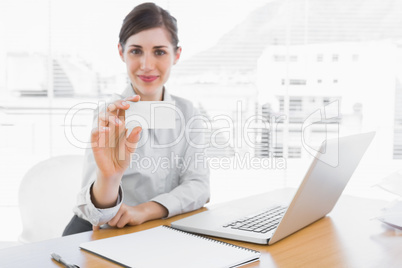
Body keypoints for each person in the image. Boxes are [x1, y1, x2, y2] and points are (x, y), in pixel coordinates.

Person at [63, 2, 210, 235]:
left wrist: (145, 210)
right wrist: (108, 179)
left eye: (159, 52)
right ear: (122, 53)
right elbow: (95, 214)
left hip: (156, 228)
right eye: (136, 51)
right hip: (103, 232)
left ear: (176, 55)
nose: (147, 65)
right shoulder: (109, 115)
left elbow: (199, 186)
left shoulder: (187, 112)